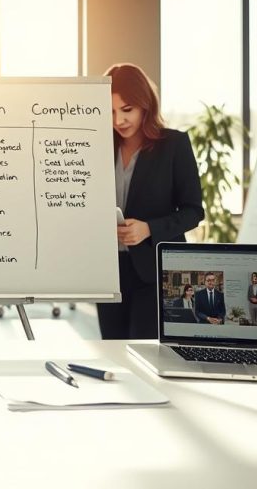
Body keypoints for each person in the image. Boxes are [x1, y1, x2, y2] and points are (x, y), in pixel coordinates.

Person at [98, 63, 204, 340]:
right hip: (107, 270)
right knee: (112, 350)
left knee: (142, 352)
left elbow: (194, 211)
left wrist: (148, 228)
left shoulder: (174, 145)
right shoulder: (97, 147)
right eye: (110, 111)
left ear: (145, 104)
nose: (118, 120)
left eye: (127, 109)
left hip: (153, 270)